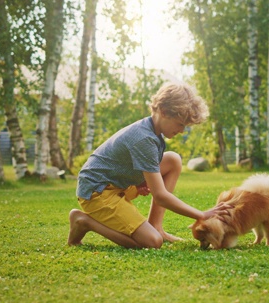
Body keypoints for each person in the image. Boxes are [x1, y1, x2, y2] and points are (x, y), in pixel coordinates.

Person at [68, 83, 226, 249]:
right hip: (97, 192)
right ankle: (84, 222)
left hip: (116, 184)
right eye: (180, 124)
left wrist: (138, 181)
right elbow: (160, 196)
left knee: (172, 160)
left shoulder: (152, 132)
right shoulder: (144, 139)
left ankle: (156, 226)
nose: (181, 131)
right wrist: (202, 215)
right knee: (152, 242)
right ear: (163, 112)